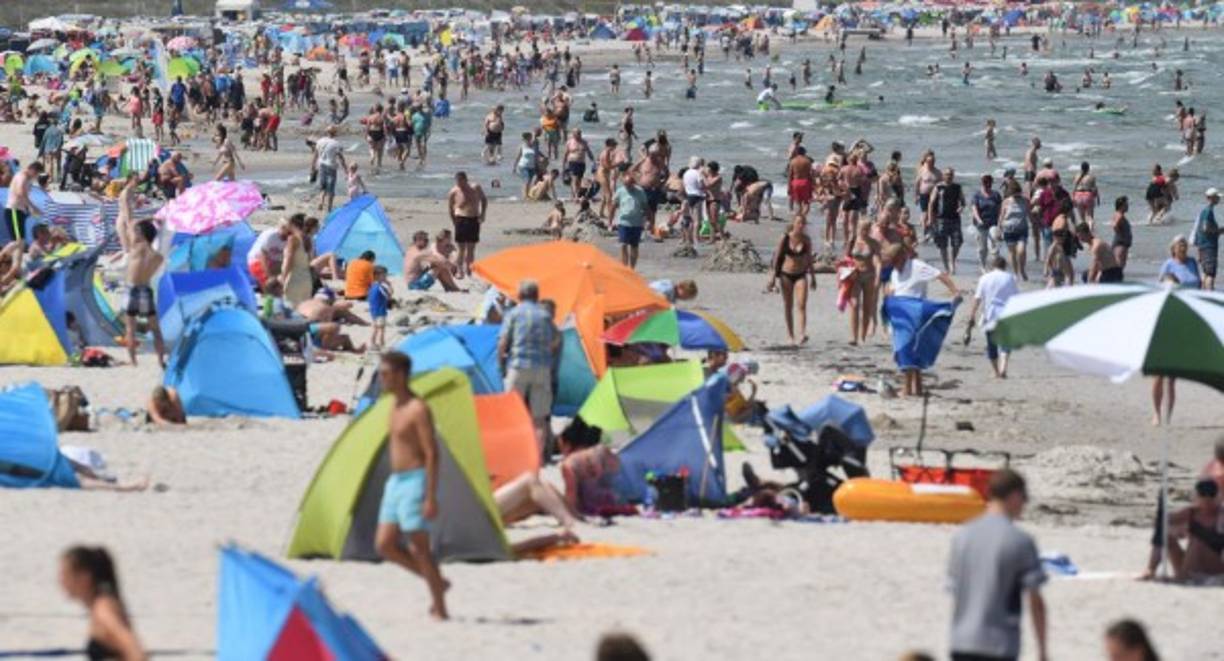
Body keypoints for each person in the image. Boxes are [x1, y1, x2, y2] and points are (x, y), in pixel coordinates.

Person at [372, 352, 450, 620]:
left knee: (419, 548)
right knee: (384, 545)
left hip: (415, 481)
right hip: (395, 482)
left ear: (401, 375)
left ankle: (440, 607)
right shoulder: (393, 405)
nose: (381, 379)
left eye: (386, 374)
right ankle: (437, 582)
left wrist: (430, 496)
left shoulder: (418, 409)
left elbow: (432, 453)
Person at [947, 469, 1048, 661]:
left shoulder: (962, 537)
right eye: (1024, 498)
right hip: (999, 643)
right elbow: (1035, 600)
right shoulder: (1020, 541)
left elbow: (954, 590)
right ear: (1015, 496)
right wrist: (1042, 650)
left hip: (961, 640)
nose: (1024, 504)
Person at [884, 245, 961, 397]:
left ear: (902, 257)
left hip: (915, 313)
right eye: (891, 262)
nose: (893, 265)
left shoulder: (917, 266)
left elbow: (940, 275)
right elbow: (894, 291)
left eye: (894, 261)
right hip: (900, 315)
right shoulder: (894, 272)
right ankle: (917, 388)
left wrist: (955, 291)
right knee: (911, 350)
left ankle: (907, 389)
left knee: (906, 350)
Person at [498, 280, 560, 455]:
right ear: (536, 295)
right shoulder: (545, 315)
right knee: (539, 418)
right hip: (541, 368)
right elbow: (555, 340)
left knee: (511, 412)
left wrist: (500, 362)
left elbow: (503, 342)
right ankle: (537, 456)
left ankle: (512, 452)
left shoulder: (514, 313)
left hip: (518, 365)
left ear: (520, 295)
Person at [60, 546, 146, 661]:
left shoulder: (103, 608)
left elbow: (134, 649)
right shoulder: (100, 607)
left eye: (65, 575)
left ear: (85, 577)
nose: (61, 581)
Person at [1144, 478, 1224, 581]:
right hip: (1189, 568)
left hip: (1213, 570)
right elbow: (1161, 523)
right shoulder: (1191, 512)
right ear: (1197, 496)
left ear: (1218, 496)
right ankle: (1151, 569)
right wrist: (1178, 529)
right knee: (1166, 535)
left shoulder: (1221, 515)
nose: (1207, 499)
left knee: (1198, 542)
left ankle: (1183, 576)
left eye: (1211, 495)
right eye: (1203, 495)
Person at [967, 256, 1019, 378]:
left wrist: (972, 315)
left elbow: (977, 299)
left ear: (992, 266)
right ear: (1005, 266)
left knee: (991, 344)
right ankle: (1003, 367)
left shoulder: (984, 278)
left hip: (989, 314)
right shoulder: (1010, 278)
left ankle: (996, 372)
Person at [767, 216, 816, 346]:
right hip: (786, 274)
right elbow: (777, 257)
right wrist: (772, 277)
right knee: (788, 305)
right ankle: (790, 335)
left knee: (802, 304)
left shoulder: (806, 240)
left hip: (801, 274)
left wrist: (813, 277)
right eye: (799, 222)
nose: (801, 225)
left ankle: (802, 333)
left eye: (803, 223)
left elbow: (809, 259)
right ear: (793, 223)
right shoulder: (786, 238)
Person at [123, 221, 166, 368]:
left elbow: (129, 225)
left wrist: (150, 217)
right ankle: (161, 359)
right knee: (155, 328)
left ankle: (133, 361)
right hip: (145, 289)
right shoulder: (158, 257)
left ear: (141, 234)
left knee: (130, 328)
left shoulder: (135, 249)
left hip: (132, 289)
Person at [446, 171, 487, 278]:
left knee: (471, 248)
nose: (459, 184)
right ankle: (459, 270)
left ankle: (469, 269)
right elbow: (450, 208)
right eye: (457, 182)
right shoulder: (454, 191)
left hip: (474, 218)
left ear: (465, 180)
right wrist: (454, 221)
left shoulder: (475, 187)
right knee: (461, 248)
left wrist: (483, 214)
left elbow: (484, 200)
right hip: (461, 219)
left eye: (461, 181)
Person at [928, 168, 966, 275]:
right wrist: (931, 219)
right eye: (946, 174)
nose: (948, 176)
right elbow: (931, 203)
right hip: (941, 219)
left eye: (950, 174)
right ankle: (946, 267)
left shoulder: (957, 187)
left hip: (955, 219)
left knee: (957, 243)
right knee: (942, 245)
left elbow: (963, 202)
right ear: (943, 176)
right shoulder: (938, 187)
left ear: (953, 176)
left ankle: (952, 261)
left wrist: (961, 208)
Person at [610, 173, 648, 269]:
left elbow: (646, 207)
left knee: (634, 246)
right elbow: (613, 206)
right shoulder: (620, 191)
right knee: (623, 244)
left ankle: (632, 268)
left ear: (633, 183)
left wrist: (650, 222)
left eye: (630, 184)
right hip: (623, 222)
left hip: (636, 223)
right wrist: (610, 221)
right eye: (626, 184)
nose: (628, 187)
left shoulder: (640, 192)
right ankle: (624, 267)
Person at [4, 162, 44, 244]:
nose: (36, 176)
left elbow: (22, 196)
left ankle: (17, 257)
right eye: (36, 174)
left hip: (19, 211)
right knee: (18, 242)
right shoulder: (22, 176)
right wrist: (32, 207)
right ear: (32, 170)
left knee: (20, 242)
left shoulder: (27, 179)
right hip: (14, 210)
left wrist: (28, 209)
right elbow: (20, 193)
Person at [999, 181, 1030, 281]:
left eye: (1018, 192)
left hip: (1022, 229)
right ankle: (1016, 273)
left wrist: (1036, 222)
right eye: (1014, 193)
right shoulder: (1006, 201)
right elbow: (1001, 216)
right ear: (1010, 192)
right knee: (1012, 253)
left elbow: (1029, 213)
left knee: (1021, 251)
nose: (1017, 195)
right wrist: (999, 229)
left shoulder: (1025, 200)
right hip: (1009, 229)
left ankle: (1022, 270)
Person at [972, 174, 1003, 272]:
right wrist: (979, 220)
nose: (987, 185)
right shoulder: (977, 195)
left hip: (993, 224)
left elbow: (1000, 209)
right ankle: (982, 266)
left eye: (988, 182)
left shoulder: (996, 195)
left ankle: (995, 267)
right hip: (981, 225)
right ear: (982, 183)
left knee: (993, 247)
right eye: (985, 182)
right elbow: (974, 209)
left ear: (991, 183)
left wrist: (1000, 224)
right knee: (982, 248)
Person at [1192, 187, 1221, 290]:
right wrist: (1218, 231)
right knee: (1210, 274)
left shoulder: (1204, 210)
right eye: (1217, 197)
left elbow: (1200, 230)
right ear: (1212, 198)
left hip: (1203, 246)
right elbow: (1205, 228)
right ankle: (1210, 293)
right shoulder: (1208, 211)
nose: (1219, 199)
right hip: (1209, 246)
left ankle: (1204, 293)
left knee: (1206, 273)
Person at [314, 125, 347, 212]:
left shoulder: (320, 141)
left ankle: (321, 201)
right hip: (331, 166)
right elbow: (341, 158)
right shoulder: (336, 143)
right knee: (331, 188)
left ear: (326, 132)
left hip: (321, 164)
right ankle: (329, 207)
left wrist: (313, 166)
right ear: (335, 133)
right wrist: (346, 170)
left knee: (323, 186)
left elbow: (315, 155)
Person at [368, 265, 391, 350]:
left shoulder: (372, 287)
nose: (385, 277)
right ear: (378, 276)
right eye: (384, 275)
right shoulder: (380, 287)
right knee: (381, 329)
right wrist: (390, 286)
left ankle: (372, 343)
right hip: (380, 311)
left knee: (375, 328)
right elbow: (388, 296)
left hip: (373, 310)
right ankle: (382, 344)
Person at [1112, 196, 1133, 274]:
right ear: (1121, 206)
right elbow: (1114, 225)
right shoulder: (1120, 216)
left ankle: (1117, 278)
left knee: (1120, 262)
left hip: (1121, 242)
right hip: (1121, 243)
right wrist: (1121, 236)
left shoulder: (1118, 214)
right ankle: (1117, 279)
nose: (1127, 207)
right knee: (1120, 262)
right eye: (1126, 205)